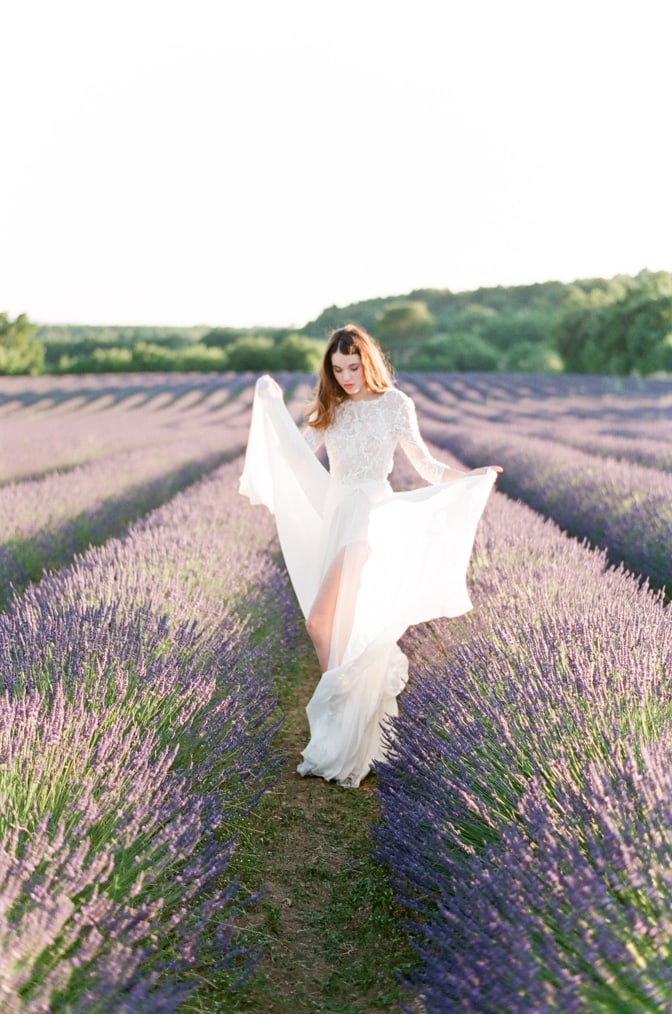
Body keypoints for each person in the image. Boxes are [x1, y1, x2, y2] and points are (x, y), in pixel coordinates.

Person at [239, 324, 502, 788]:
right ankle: (346, 729)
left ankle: (340, 718)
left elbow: (426, 466)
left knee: (320, 622)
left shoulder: (395, 405)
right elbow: (297, 455)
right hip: (336, 517)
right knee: (339, 629)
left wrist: (470, 477)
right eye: (337, 369)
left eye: (353, 367)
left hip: (367, 520)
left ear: (369, 362)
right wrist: (269, 406)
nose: (345, 377)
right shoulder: (332, 408)